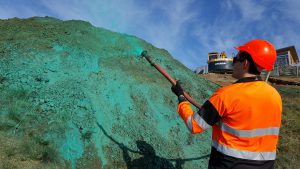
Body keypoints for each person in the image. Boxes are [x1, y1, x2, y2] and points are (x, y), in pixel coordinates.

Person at [171, 39, 282, 169]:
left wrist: (181, 97)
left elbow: (193, 125)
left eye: (236, 58)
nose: (233, 62)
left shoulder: (227, 95)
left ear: (245, 63)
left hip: (229, 164)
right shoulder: (275, 96)